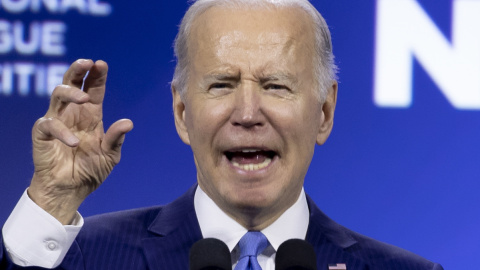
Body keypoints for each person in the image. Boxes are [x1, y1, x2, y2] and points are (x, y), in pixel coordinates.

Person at [1, 0, 443, 269]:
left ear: (324, 112)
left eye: (275, 85)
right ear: (181, 112)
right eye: (221, 85)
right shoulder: (84, 257)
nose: (247, 114)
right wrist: (52, 202)